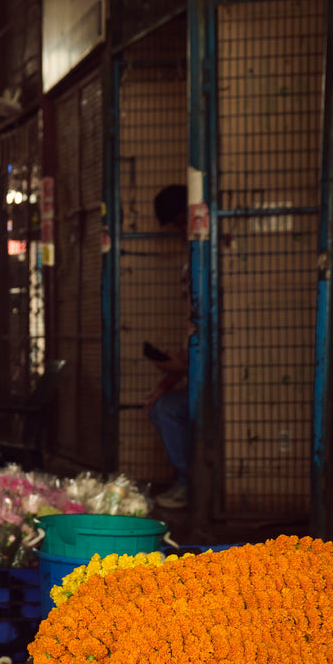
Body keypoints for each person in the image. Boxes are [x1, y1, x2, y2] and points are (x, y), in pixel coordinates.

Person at [143, 183, 191, 510]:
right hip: (193, 369)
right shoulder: (193, 259)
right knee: (160, 406)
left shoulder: (203, 256)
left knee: (168, 410)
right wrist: (165, 381)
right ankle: (187, 480)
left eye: (177, 223)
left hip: (216, 383)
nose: (179, 230)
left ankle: (190, 483)